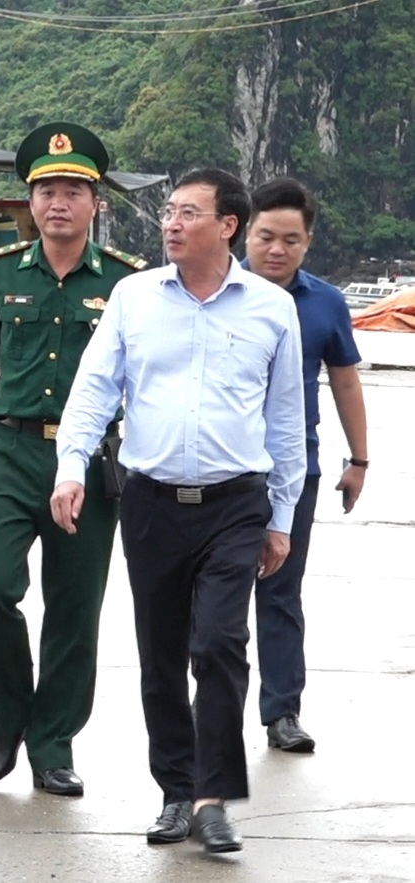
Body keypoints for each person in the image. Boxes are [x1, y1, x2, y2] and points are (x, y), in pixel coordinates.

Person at [50, 168, 306, 854]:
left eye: (188, 213)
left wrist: (281, 516)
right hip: (152, 501)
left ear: (227, 226)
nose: (170, 223)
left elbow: (286, 420)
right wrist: (71, 469)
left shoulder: (269, 308)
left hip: (235, 503)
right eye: (168, 211)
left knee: (219, 642)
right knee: (161, 654)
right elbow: (93, 391)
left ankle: (214, 797)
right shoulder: (134, 298)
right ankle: (175, 791)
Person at [0, 122, 146, 797]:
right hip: (9, 448)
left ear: (95, 203)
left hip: (89, 459)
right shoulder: (1, 273)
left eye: (72, 191)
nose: (57, 202)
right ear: (30, 202)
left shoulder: (126, 284)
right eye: (45, 191)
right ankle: (3, 722)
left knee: (74, 605)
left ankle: (53, 741)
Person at [245, 177, 367, 753]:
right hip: (221, 473)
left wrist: (359, 459)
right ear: (244, 231)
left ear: (307, 242)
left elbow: (344, 378)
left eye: (290, 240)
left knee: (280, 590)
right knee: (209, 597)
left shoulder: (325, 302)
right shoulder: (215, 291)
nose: (276, 250)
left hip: (296, 472)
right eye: (266, 236)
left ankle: (282, 712)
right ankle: (207, 704)